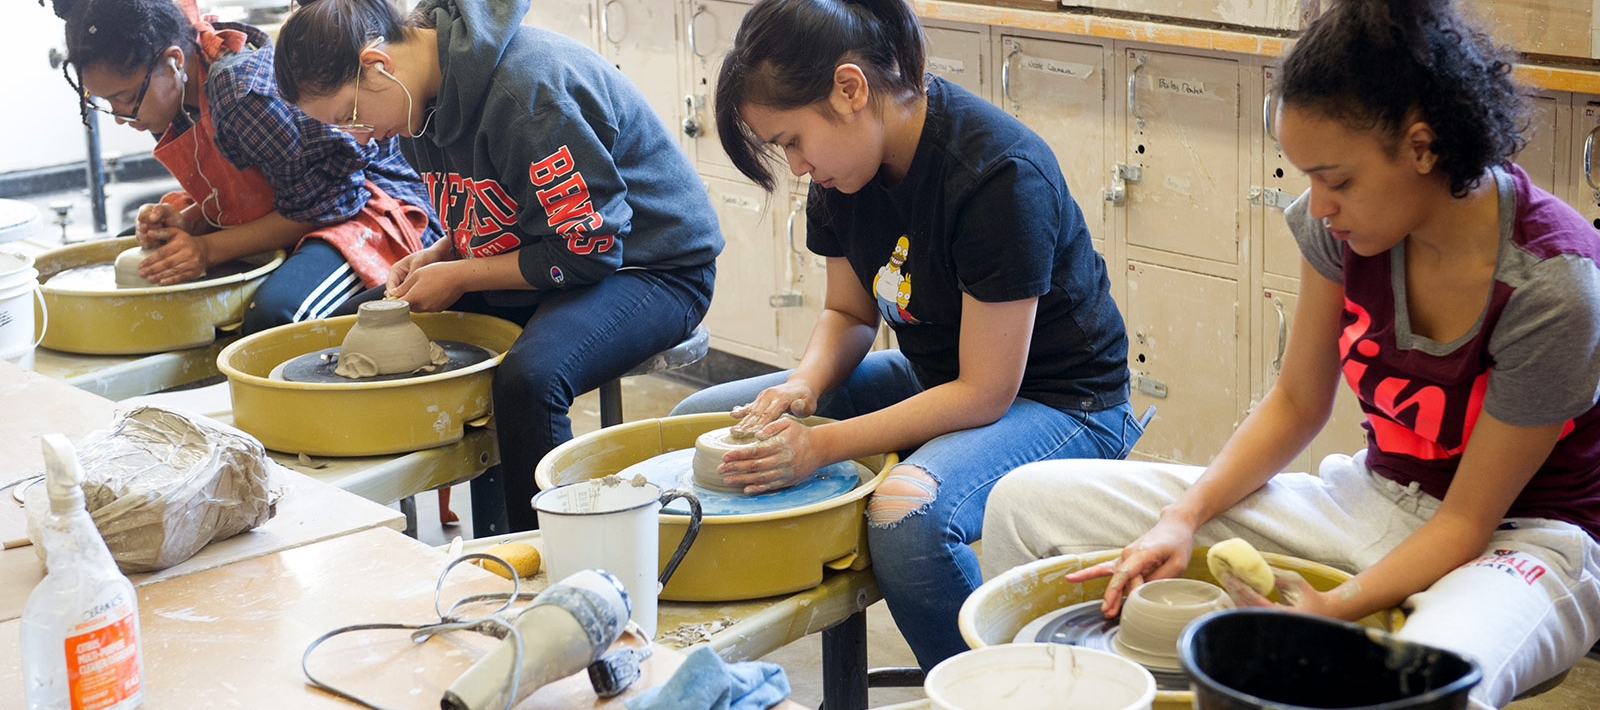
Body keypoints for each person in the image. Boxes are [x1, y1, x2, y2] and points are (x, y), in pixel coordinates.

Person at [981, 0, 1600, 705]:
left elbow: (1466, 522)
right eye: (1306, 176)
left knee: (1428, 681)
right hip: (1374, 499)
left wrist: (1336, 610)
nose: (1317, 205)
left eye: (1337, 180)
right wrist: (1180, 518)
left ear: (1423, 147)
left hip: (1524, 542)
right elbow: (1298, 402)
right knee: (1024, 504)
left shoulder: (1554, 287)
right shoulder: (1334, 230)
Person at [667, 0, 1138, 669]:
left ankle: (983, 686)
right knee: (701, 421)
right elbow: (850, 315)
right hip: (942, 378)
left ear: (850, 89)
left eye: (792, 140)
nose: (796, 166)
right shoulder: (845, 169)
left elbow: (984, 394)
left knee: (904, 517)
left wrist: (822, 443)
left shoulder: (997, 174)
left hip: (1066, 403)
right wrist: (805, 385)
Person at [272, 0, 722, 533]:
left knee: (528, 382)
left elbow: (590, 248)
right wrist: (441, 252)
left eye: (350, 116)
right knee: (354, 323)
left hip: (652, 267)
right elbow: (499, 210)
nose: (361, 136)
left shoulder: (527, 94)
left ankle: (546, 563)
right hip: (557, 254)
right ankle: (426, 537)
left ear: (378, 65)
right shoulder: (415, 106)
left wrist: (460, 274)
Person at [54, 0, 440, 334]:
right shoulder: (173, 90)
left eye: (123, 100)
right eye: (105, 103)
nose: (121, 117)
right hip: (303, 200)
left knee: (275, 316)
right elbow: (257, 181)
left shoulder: (239, 94)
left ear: (173, 61)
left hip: (372, 206)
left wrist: (205, 250)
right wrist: (189, 220)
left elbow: (330, 203)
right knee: (145, 248)